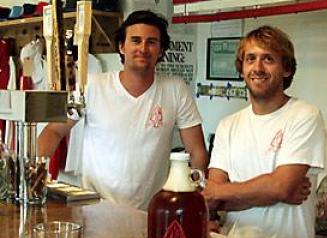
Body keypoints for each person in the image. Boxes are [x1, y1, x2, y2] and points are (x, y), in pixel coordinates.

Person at [38, 10, 208, 210]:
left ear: (161, 50)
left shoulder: (175, 89)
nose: (143, 48)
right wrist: (35, 173)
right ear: (121, 46)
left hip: (150, 212)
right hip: (95, 209)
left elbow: (197, 151)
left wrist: (198, 198)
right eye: (135, 40)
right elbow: (54, 130)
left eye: (151, 42)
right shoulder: (91, 86)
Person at [203, 26, 326, 238]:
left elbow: (280, 186)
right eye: (251, 59)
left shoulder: (305, 115)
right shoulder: (227, 125)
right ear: (242, 68)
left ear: (287, 69)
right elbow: (213, 200)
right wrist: (271, 192)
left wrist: (275, 190)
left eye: (268, 59)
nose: (258, 68)